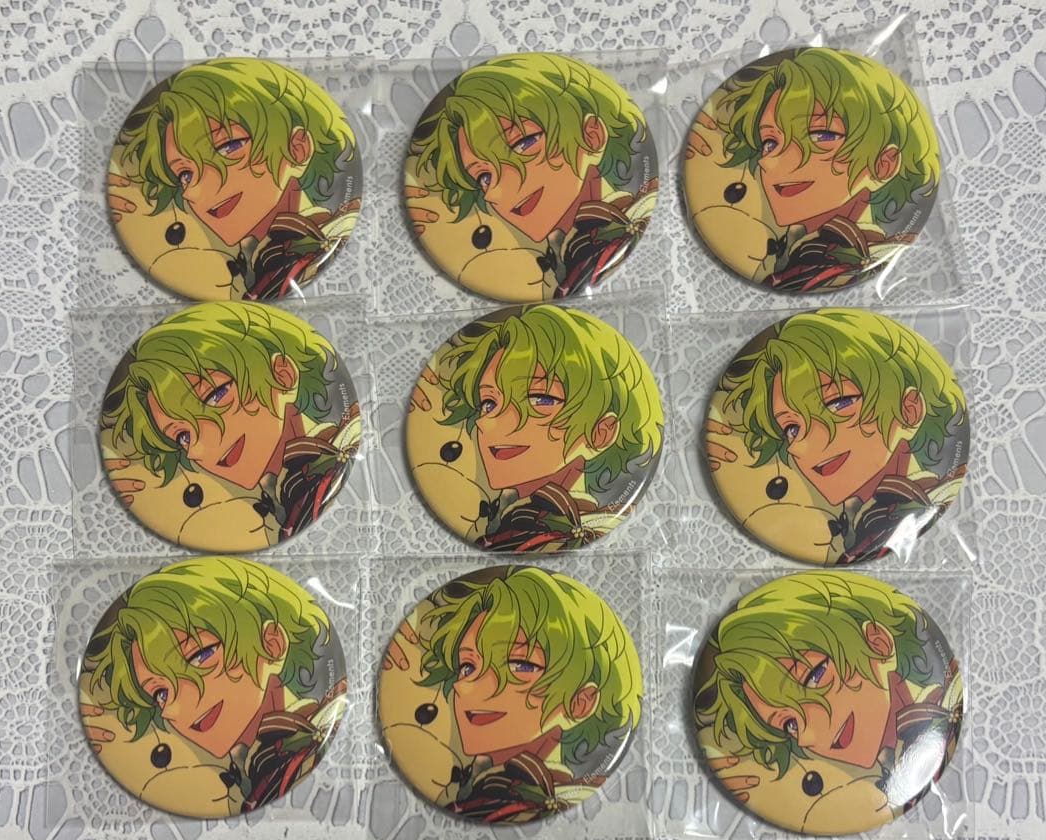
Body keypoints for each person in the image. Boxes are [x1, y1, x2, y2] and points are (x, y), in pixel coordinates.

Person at [82, 557, 346, 812]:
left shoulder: (315, 732)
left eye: (200, 655)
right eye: (160, 693)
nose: (172, 708)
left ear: (271, 645)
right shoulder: (226, 778)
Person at [708, 308, 967, 562]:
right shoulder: (844, 529)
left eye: (838, 403)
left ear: (909, 410)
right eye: (792, 428)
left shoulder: (929, 496)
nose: (800, 445)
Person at [695, 572, 962, 807]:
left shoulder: (945, 703)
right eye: (789, 725)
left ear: (878, 644)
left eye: (814, 677)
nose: (807, 736)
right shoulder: (846, 782)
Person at [402, 566, 642, 822]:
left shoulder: (564, 797)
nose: (466, 686)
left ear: (580, 703)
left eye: (521, 665)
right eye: (467, 667)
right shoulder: (460, 788)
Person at [104, 302, 360, 541]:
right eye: (183, 436)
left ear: (282, 376)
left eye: (215, 396)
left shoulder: (337, 447)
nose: (197, 449)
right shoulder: (253, 508)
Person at [689, 47, 940, 291]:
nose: (769, 161)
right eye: (770, 142)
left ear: (883, 166)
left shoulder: (851, 259)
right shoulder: (784, 256)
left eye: (821, 135)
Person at [408, 53, 657, 298]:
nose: (495, 192)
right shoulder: (546, 264)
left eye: (523, 143)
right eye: (484, 177)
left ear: (592, 136)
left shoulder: (626, 221)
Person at [417, 304, 662, 551]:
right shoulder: (498, 520)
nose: (486, 422)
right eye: (488, 403)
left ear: (600, 434)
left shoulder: (573, 528)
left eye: (540, 399)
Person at [110, 58, 360, 299]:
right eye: (185, 174)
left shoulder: (324, 238)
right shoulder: (241, 270)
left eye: (228, 147)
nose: (192, 191)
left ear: (298, 149)